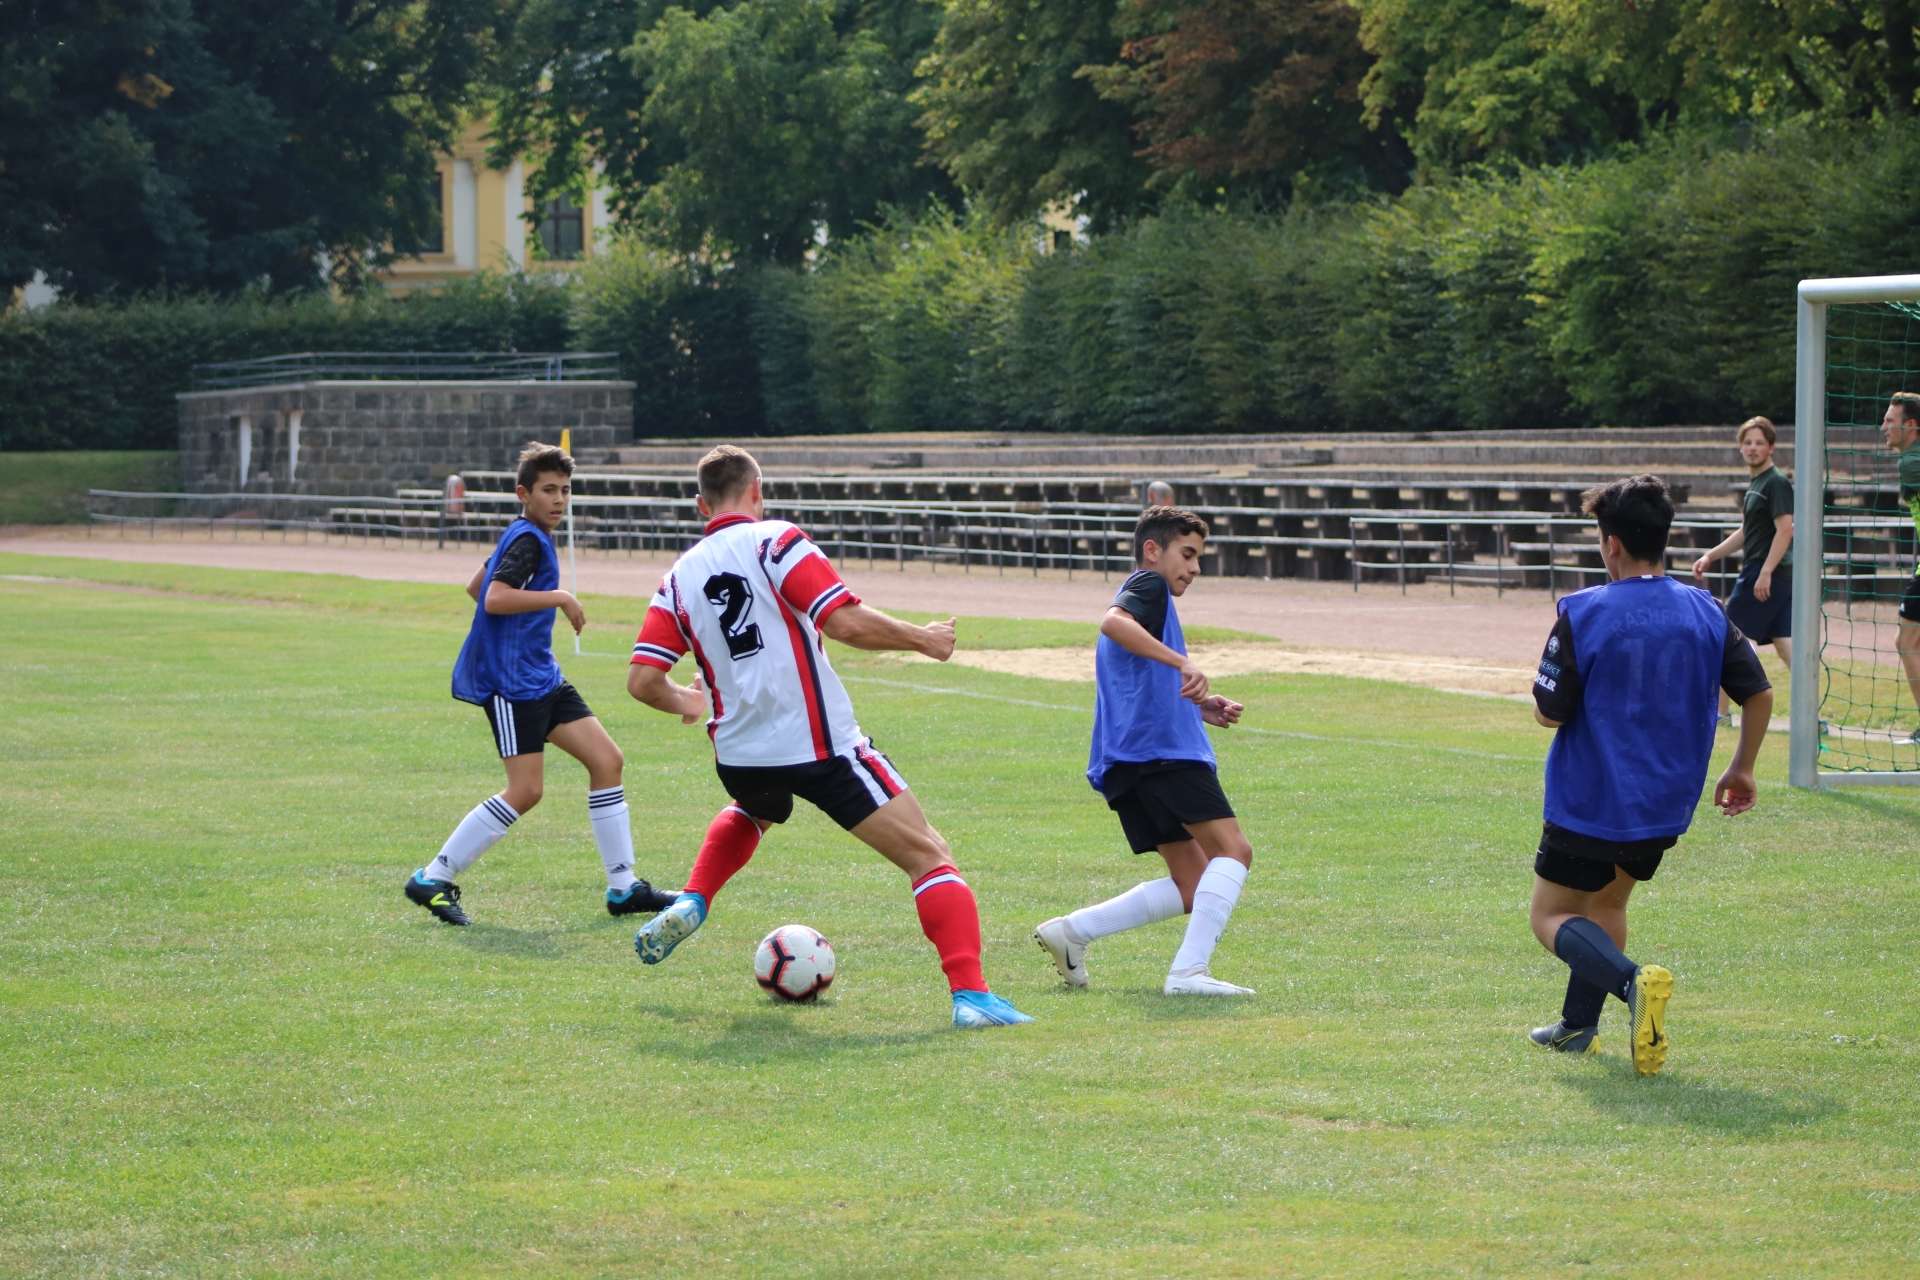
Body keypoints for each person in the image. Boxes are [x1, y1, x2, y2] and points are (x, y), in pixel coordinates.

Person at [625, 445, 1034, 1030]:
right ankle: (972, 996)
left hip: (740, 755)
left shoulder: (677, 578)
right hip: (820, 746)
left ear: (700, 505)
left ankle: (694, 897)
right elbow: (843, 622)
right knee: (930, 856)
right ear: (757, 490)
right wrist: (923, 638)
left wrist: (692, 701)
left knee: (757, 809)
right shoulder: (776, 541)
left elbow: (643, 680)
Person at [1529, 475, 1772, 1076]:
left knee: (1550, 916)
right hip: (1664, 803)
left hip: (1591, 799)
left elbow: (1548, 713)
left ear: (1610, 544)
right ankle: (1577, 1027)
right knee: (1607, 903)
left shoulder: (1584, 611)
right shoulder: (1706, 608)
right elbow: (1759, 693)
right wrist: (1742, 767)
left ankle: (1633, 983)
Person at [406, 443, 676, 926]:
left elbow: (476, 587)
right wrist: (560, 597)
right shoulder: (528, 539)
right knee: (526, 790)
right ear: (523, 494)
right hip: (512, 685)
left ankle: (623, 889)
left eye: (565, 490)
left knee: (607, 761)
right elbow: (493, 598)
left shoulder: (524, 535)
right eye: (548, 490)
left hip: (542, 676)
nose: (559, 499)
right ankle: (432, 877)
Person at [1031, 506, 1256, 996]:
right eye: (1187, 554)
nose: (1195, 567)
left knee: (1193, 882)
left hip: (1132, 761)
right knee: (1233, 850)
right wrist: (1184, 663)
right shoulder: (1149, 585)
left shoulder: (1152, 599)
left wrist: (1197, 706)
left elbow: (1135, 679)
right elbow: (1113, 623)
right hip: (1161, 755)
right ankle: (1188, 974)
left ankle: (1072, 931)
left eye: (1199, 557)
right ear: (1152, 550)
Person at [1691, 417, 1793, 724]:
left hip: (1764, 571)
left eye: (1760, 443)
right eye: (1748, 442)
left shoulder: (1775, 482)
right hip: (1770, 573)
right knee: (1784, 644)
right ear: (1740, 447)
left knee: (1725, 635)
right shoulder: (1757, 483)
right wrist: (1711, 555)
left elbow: (1785, 530)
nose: (1753, 448)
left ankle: (1721, 714)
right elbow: (1747, 531)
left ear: (1771, 448)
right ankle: (1812, 714)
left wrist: (1765, 572)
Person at [1882, 393, 1920, 742]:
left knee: (1906, 640)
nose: (1883, 427)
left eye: (1890, 421)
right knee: (1908, 640)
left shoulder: (1910, 463)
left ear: (1910, 425)